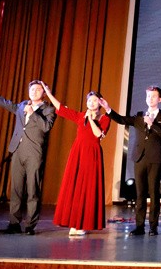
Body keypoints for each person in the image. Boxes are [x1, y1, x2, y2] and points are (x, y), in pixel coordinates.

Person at [0, 79, 56, 235]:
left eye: (38, 90)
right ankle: (14, 224)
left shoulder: (48, 109)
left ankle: (30, 225)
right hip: (17, 150)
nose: (34, 92)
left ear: (44, 93)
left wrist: (33, 114)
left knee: (33, 189)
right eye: (32, 89)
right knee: (16, 189)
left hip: (34, 152)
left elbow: (46, 127)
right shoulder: (22, 105)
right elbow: (6, 103)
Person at [101, 87, 161, 236]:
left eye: (153, 96)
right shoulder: (140, 116)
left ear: (160, 99)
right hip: (139, 158)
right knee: (140, 194)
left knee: (154, 193)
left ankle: (153, 227)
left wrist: (153, 124)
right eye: (148, 96)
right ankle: (139, 226)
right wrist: (108, 109)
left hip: (155, 159)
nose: (150, 99)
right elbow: (122, 119)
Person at [43, 85, 111, 236]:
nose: (91, 103)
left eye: (95, 100)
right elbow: (61, 108)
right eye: (89, 100)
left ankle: (83, 224)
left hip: (92, 153)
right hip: (78, 153)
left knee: (87, 187)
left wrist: (91, 119)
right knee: (75, 187)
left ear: (100, 103)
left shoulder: (105, 118)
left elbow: (97, 134)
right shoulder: (80, 116)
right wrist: (48, 93)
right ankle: (74, 223)